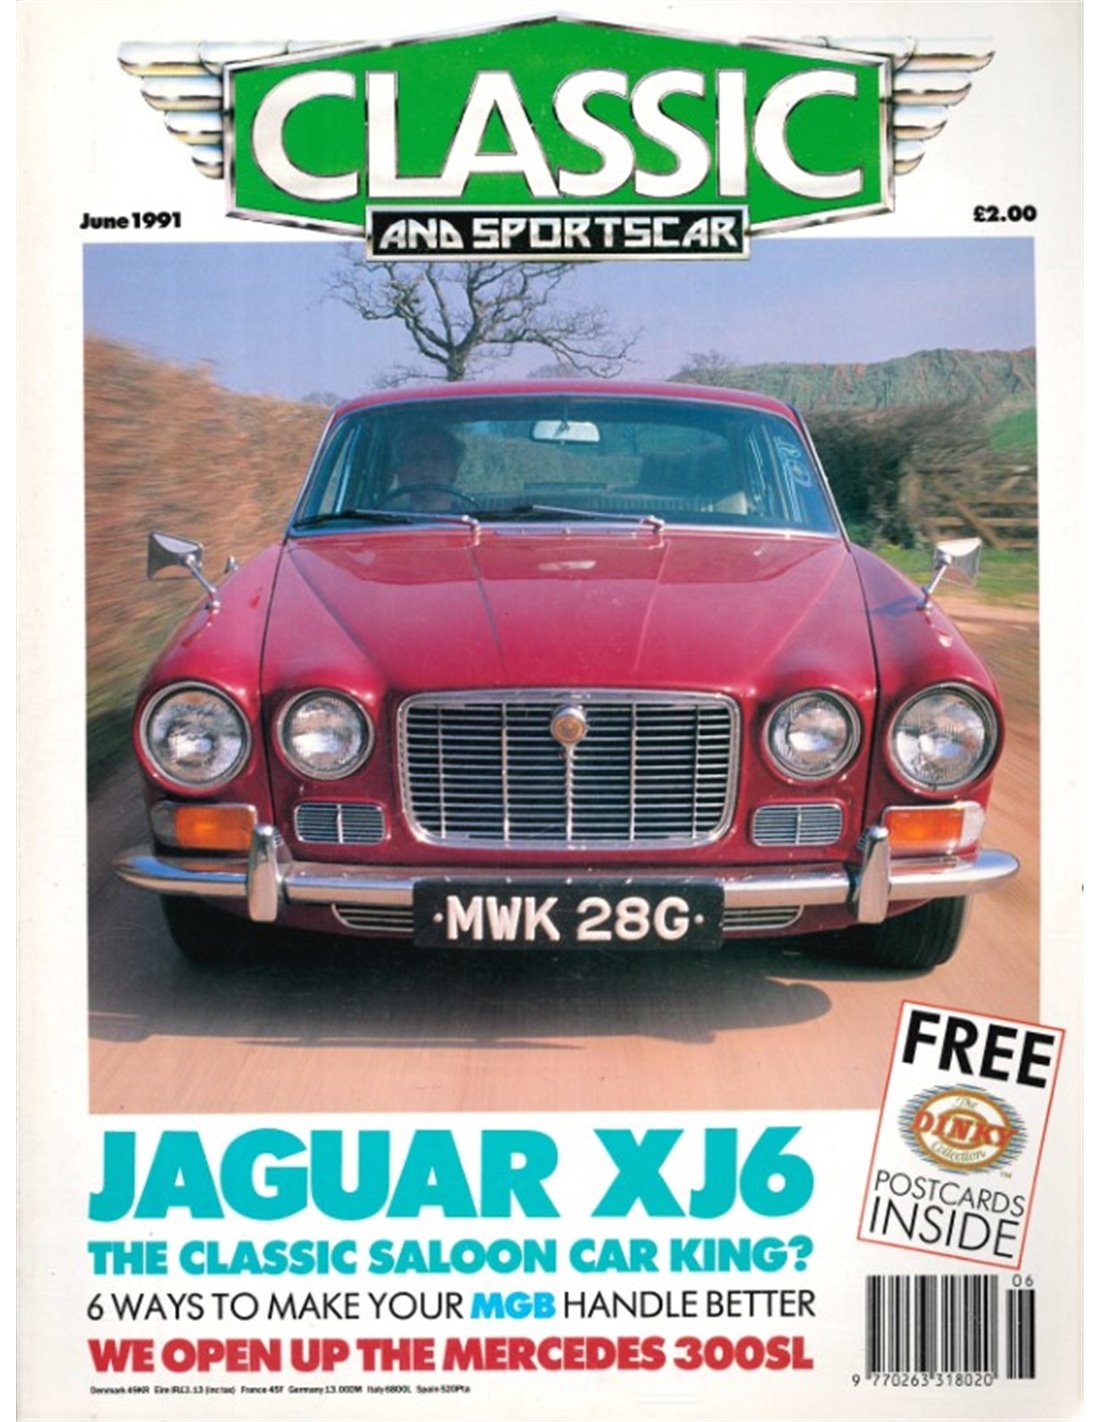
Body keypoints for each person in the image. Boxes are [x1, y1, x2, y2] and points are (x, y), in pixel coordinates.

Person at [383, 424, 465, 511]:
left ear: (454, 469)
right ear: (400, 471)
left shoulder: (473, 516)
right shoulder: (380, 516)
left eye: (437, 457)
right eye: (416, 458)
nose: (427, 465)